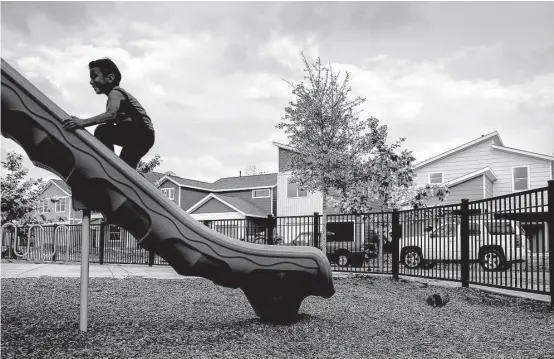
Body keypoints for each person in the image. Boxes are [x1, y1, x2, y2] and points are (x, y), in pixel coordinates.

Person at [62, 58, 155, 170]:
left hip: (140, 132)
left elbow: (110, 115)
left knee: (102, 131)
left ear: (110, 78)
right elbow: (110, 122)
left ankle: (107, 163)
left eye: (94, 76)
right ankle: (122, 173)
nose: (91, 82)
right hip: (144, 136)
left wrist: (82, 122)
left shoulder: (115, 93)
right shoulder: (113, 99)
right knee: (125, 168)